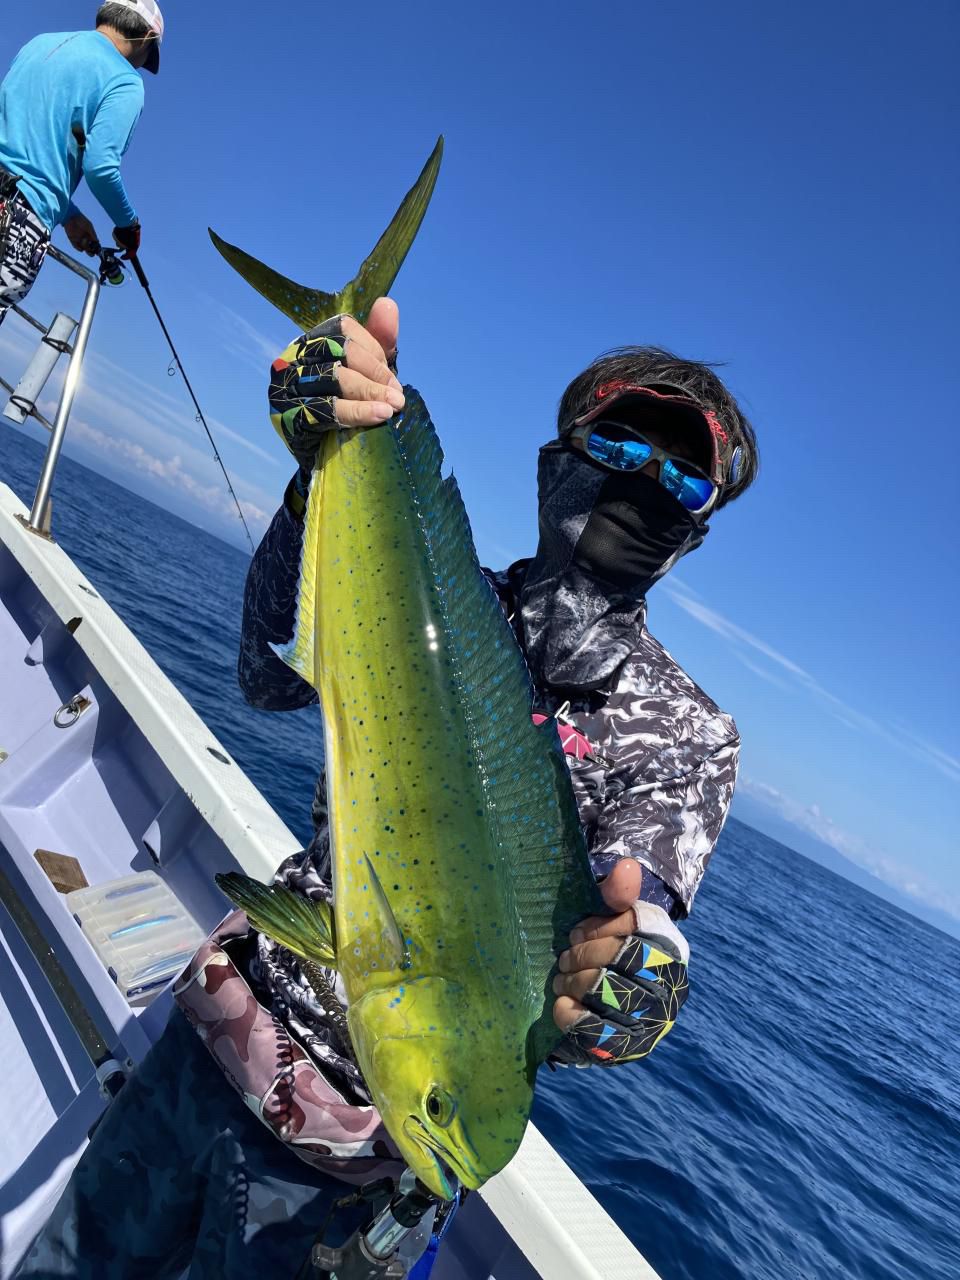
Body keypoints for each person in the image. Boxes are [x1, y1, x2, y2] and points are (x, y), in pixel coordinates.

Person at [15, 299, 758, 1277]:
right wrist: (320, 468)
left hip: (332, 1179)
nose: (640, 476)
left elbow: (638, 916)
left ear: (692, 535)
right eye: (618, 437)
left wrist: (634, 984)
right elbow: (268, 671)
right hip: (201, 1052)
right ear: (559, 448)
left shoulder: (688, 729)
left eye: (681, 474)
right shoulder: (433, 593)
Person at [0, 1, 163, 325]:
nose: (143, 64)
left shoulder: (42, 42)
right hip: (18, 222)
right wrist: (128, 226)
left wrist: (68, 214)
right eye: (149, 56)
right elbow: (100, 167)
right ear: (145, 38)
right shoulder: (126, 82)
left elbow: (36, 142)